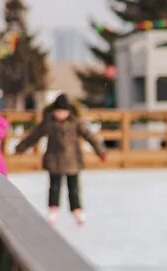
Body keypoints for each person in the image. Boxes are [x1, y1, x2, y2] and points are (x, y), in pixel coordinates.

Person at [13, 94, 107, 225]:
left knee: (73, 187)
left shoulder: (75, 122)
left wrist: (100, 151)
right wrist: (21, 148)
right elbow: (34, 136)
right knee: (54, 187)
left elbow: (89, 136)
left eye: (63, 112)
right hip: (54, 159)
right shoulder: (48, 123)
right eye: (58, 111)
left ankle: (77, 210)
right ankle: (53, 210)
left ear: (68, 112)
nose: (60, 114)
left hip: (72, 160)